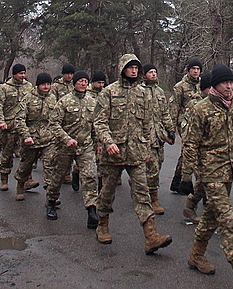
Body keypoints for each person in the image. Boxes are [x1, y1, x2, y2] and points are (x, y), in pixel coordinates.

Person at [181, 64, 233, 289]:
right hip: (210, 174)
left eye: (231, 82)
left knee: (210, 217)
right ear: (215, 85)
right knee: (227, 221)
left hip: (229, 171)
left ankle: (196, 255)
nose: (229, 86)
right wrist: (187, 174)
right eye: (224, 83)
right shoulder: (201, 109)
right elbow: (191, 143)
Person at [93, 54, 172, 255]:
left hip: (136, 153)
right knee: (107, 193)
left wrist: (146, 148)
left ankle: (151, 236)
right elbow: (99, 122)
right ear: (122, 69)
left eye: (137, 68)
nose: (134, 71)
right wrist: (108, 142)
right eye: (130, 67)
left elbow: (147, 124)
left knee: (142, 194)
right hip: (113, 154)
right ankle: (102, 224)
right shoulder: (109, 92)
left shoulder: (142, 93)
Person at [13, 72, 70, 213]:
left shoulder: (52, 98)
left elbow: (57, 118)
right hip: (30, 139)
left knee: (50, 166)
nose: (46, 86)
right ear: (38, 85)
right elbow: (19, 119)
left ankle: (51, 196)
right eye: (43, 84)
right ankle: (20, 185)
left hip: (48, 139)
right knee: (26, 166)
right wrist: (26, 136)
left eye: (48, 84)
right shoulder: (28, 99)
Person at [53, 70, 100, 227]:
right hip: (65, 147)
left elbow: (96, 125)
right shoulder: (64, 101)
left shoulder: (92, 102)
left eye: (86, 81)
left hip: (85, 146)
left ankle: (92, 210)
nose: (83, 84)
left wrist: (98, 144)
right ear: (75, 83)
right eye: (80, 81)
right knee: (58, 177)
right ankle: (51, 202)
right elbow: (54, 124)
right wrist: (66, 139)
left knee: (90, 176)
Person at [0, 64, 38, 192]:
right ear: (14, 74)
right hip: (9, 127)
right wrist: (1, 122)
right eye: (20, 73)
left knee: (27, 155)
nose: (23, 76)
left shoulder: (29, 87)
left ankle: (27, 179)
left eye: (24, 73)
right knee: (7, 156)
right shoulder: (5, 88)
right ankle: (4, 180)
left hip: (24, 128)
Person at [141, 64, 175, 215]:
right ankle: (152, 198)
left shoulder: (160, 92)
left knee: (158, 163)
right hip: (145, 135)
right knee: (152, 167)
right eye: (150, 72)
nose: (153, 74)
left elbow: (165, 113)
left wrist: (170, 130)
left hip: (159, 135)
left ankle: (143, 187)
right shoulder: (139, 91)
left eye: (155, 72)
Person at [182, 71, 212, 223]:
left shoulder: (218, 103)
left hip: (214, 152)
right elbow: (187, 128)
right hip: (199, 151)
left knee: (206, 183)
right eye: (210, 87)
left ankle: (208, 212)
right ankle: (193, 207)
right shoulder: (195, 105)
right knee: (204, 181)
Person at [170, 58, 202, 194]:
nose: (195, 71)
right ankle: (196, 183)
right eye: (193, 69)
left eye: (198, 69)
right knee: (192, 150)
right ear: (188, 70)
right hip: (184, 123)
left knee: (186, 152)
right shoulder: (180, 87)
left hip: (199, 122)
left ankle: (177, 180)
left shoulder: (203, 84)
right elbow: (174, 107)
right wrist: (171, 129)